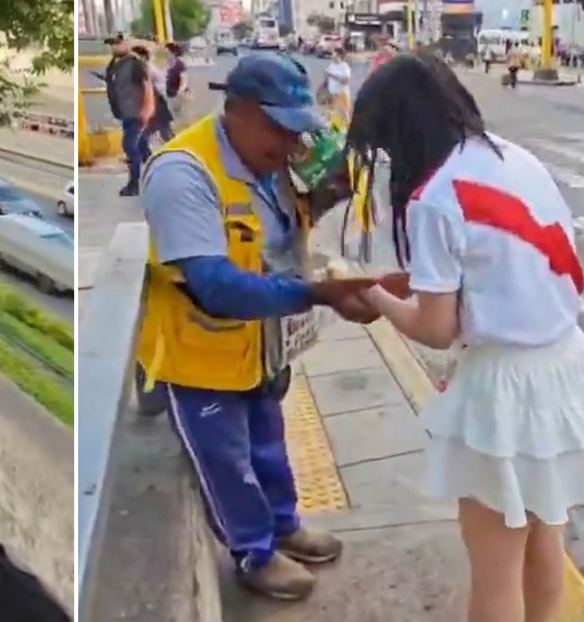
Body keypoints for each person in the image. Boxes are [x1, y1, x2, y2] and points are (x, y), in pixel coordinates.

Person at [347, 53, 584, 622]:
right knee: (544, 545)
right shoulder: (510, 157)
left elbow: (434, 327)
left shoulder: (433, 198)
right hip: (564, 366)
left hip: (505, 392)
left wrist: (374, 296)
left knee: (495, 572)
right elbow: (516, 263)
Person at [139, 52, 381, 600]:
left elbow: (275, 238)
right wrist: (317, 293)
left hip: (261, 346)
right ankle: (253, 551)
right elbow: (214, 284)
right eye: (280, 128)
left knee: (270, 443)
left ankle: (284, 524)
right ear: (239, 111)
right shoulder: (184, 174)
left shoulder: (269, 167)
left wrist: (328, 192)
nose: (291, 144)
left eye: (299, 131)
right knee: (228, 460)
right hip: (201, 353)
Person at [93, 33, 155, 196]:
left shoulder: (135, 64)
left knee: (131, 147)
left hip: (136, 113)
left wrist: (147, 110)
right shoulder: (115, 64)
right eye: (111, 44)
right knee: (142, 149)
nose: (114, 47)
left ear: (126, 43)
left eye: (117, 43)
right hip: (124, 113)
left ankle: (134, 185)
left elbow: (147, 87)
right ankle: (156, 177)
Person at [131, 45, 174, 145]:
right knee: (154, 130)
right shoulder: (144, 68)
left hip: (156, 102)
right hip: (152, 102)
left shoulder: (147, 69)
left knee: (163, 130)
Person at [165, 42, 190, 127]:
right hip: (167, 96)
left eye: (167, 52)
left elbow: (184, 81)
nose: (165, 54)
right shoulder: (165, 64)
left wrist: (180, 92)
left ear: (173, 53)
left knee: (178, 118)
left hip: (176, 95)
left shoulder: (180, 65)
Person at [325, 48, 353, 123]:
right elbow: (328, 79)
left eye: (333, 53)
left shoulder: (344, 66)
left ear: (339, 55)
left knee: (343, 113)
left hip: (341, 93)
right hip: (333, 92)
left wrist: (332, 75)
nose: (332, 55)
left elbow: (345, 80)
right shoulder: (331, 65)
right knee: (332, 113)